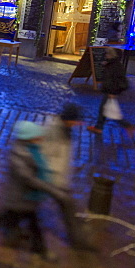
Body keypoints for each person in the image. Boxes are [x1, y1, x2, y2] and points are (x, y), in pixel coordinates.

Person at [0, 121, 65, 259]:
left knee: (34, 225)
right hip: (18, 198)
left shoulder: (32, 150)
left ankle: (39, 249)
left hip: (29, 198)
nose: (40, 139)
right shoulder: (19, 155)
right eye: (37, 137)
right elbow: (28, 178)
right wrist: (50, 189)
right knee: (4, 217)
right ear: (28, 138)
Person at [39, 103, 97, 251]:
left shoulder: (66, 130)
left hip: (59, 180)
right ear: (68, 119)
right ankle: (78, 241)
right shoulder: (53, 130)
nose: (78, 124)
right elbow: (45, 154)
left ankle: (78, 240)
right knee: (24, 208)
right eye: (75, 120)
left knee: (67, 209)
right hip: (50, 179)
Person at [87, 48, 135, 138]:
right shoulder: (111, 64)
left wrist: (113, 92)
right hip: (109, 90)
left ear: (113, 55)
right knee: (105, 110)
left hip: (110, 92)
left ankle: (126, 125)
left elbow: (117, 80)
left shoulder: (116, 66)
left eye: (108, 54)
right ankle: (99, 127)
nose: (106, 55)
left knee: (110, 112)